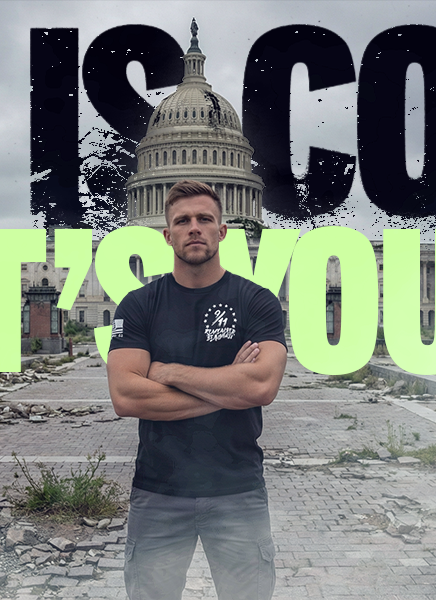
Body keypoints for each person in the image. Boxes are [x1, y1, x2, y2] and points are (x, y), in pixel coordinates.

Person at [107, 180, 287, 600]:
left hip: (237, 491)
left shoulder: (257, 301)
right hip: (158, 492)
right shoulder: (138, 304)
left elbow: (261, 384)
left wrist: (166, 371)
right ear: (166, 234)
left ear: (222, 230)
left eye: (204, 219)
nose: (194, 228)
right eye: (182, 221)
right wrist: (228, 386)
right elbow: (126, 397)